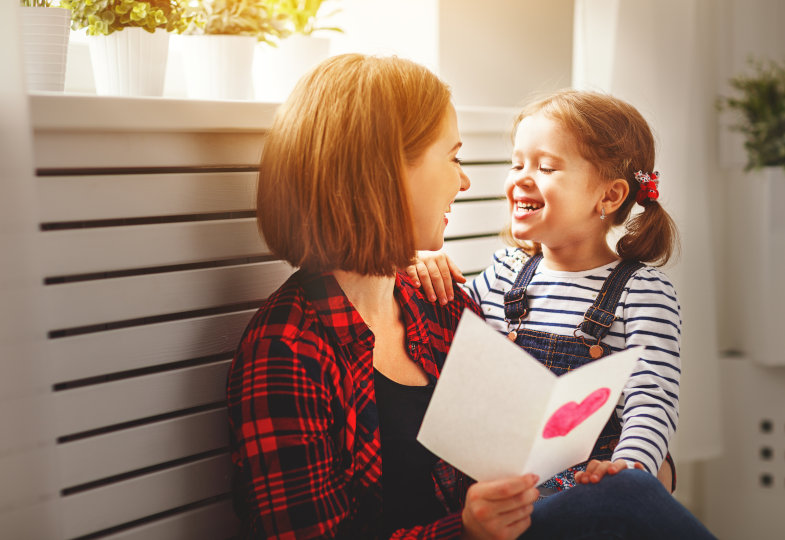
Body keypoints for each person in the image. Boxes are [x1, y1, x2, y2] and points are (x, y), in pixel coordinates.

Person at [226, 56, 716, 539]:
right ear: (386, 171)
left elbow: (538, 435)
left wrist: (637, 468)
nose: (464, 180)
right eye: (454, 157)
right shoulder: (288, 351)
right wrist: (464, 531)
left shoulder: (437, 305)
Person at [408, 90, 681, 494]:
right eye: (516, 163)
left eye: (546, 167)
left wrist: (631, 467)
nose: (520, 177)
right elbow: (452, 334)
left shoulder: (642, 292)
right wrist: (416, 259)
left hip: (587, 485)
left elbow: (651, 397)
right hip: (496, 483)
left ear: (609, 196)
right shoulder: (504, 272)